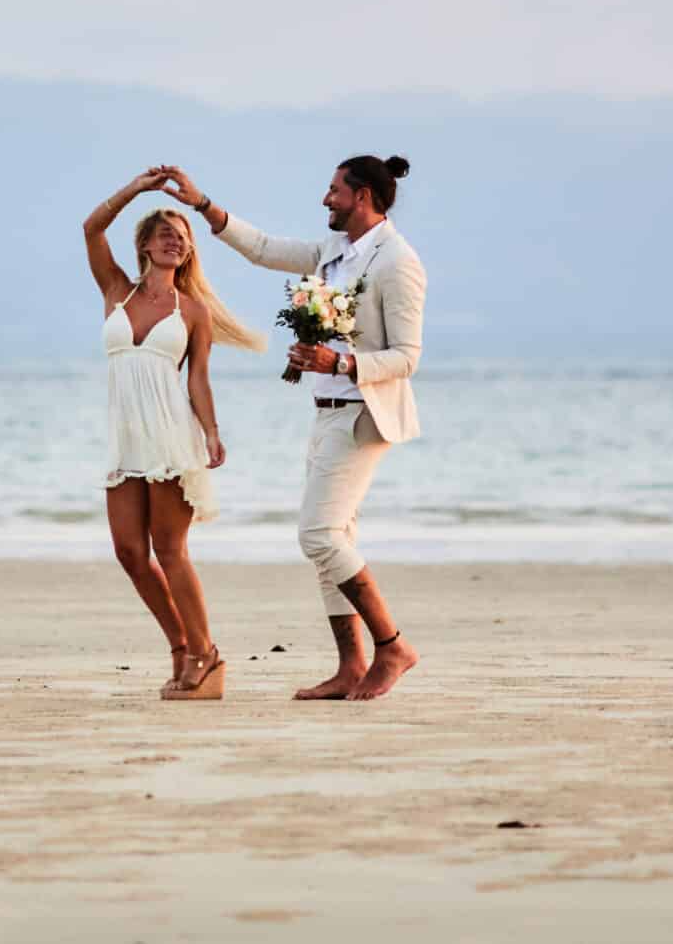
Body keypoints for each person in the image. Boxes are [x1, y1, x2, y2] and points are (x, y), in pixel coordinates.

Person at [159, 157, 426, 702]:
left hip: (361, 413)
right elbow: (261, 248)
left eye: (334, 190)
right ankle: (350, 667)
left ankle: (392, 646)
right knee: (334, 539)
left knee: (318, 536)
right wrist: (200, 203)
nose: (325, 199)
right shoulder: (334, 251)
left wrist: (341, 363)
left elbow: (407, 357)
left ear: (363, 196)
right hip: (326, 410)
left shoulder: (397, 261)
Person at [82, 168, 267, 700]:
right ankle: (181, 646)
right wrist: (136, 189)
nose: (175, 241)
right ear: (144, 244)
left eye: (183, 238)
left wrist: (211, 433)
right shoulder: (116, 291)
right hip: (126, 438)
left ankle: (205, 654)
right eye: (166, 233)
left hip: (170, 436)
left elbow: (198, 379)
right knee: (128, 551)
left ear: (188, 253)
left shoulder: (193, 311)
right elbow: (92, 228)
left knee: (170, 548)